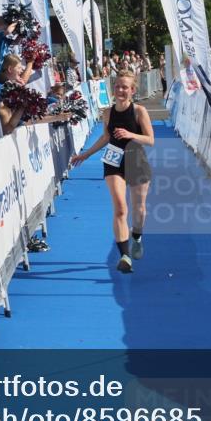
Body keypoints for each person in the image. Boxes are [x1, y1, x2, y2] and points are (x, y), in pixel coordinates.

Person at [70, 70, 154, 274]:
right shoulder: (107, 112)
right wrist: (86, 154)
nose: (120, 90)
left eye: (125, 87)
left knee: (139, 209)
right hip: (113, 161)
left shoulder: (139, 111)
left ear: (132, 90)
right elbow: (106, 137)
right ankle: (124, 255)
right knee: (120, 208)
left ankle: (137, 236)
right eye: (117, 86)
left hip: (136, 159)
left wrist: (130, 134)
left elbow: (150, 140)